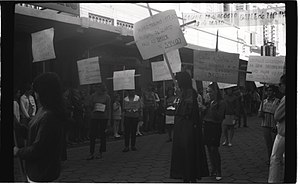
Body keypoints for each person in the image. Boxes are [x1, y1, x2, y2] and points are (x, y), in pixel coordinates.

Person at [13, 72, 66, 182]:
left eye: (35, 89)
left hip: (44, 172)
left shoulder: (50, 116)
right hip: (36, 170)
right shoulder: (43, 110)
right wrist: (16, 125)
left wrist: (18, 151)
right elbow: (31, 133)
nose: (34, 93)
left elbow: (38, 149)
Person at [170, 72, 209, 182]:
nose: (176, 84)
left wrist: (179, 98)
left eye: (177, 81)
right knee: (183, 153)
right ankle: (186, 175)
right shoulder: (184, 93)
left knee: (188, 152)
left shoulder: (189, 93)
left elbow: (187, 111)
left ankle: (190, 175)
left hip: (187, 129)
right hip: (182, 128)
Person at [202, 82, 226, 181]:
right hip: (207, 126)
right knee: (208, 148)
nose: (209, 94)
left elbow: (220, 117)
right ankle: (213, 168)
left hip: (215, 126)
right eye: (208, 92)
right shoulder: (208, 102)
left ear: (216, 92)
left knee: (214, 149)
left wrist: (213, 109)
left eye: (211, 92)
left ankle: (218, 170)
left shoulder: (221, 103)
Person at [268, 74, 286, 183]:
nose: (279, 87)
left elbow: (277, 115)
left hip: (283, 134)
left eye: (281, 84)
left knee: (275, 159)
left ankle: (273, 180)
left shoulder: (285, 98)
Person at [86, 83, 111, 160]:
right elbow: (89, 106)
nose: (99, 90)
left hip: (103, 117)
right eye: (98, 88)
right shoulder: (93, 96)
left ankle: (101, 151)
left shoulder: (107, 97)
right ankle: (91, 152)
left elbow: (109, 108)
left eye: (101, 89)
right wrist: (91, 112)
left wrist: (109, 120)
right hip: (94, 117)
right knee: (92, 135)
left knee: (102, 135)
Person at [258, 85, 280, 165]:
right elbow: (259, 115)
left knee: (275, 144)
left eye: (271, 90)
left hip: (274, 125)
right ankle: (270, 159)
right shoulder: (264, 102)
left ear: (274, 92)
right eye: (268, 91)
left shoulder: (278, 101)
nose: (269, 92)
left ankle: (276, 159)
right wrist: (261, 112)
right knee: (268, 144)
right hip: (265, 124)